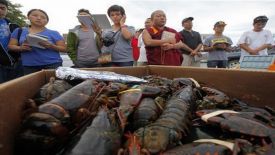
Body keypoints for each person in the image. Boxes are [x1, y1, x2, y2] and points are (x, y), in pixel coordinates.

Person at [8, 9, 66, 75]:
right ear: (28, 17)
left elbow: (64, 49)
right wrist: (20, 48)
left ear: (47, 21)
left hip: (53, 64)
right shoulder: (19, 31)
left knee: (54, 84)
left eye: (43, 17)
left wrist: (51, 46)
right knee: (32, 85)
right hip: (29, 65)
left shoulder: (54, 33)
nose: (39, 18)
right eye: (35, 15)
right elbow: (10, 46)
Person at [0, 0, 23, 83]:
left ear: (7, 10)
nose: (0, 10)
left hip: (15, 63)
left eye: (3, 8)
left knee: (15, 89)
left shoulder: (14, 26)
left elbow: (21, 43)